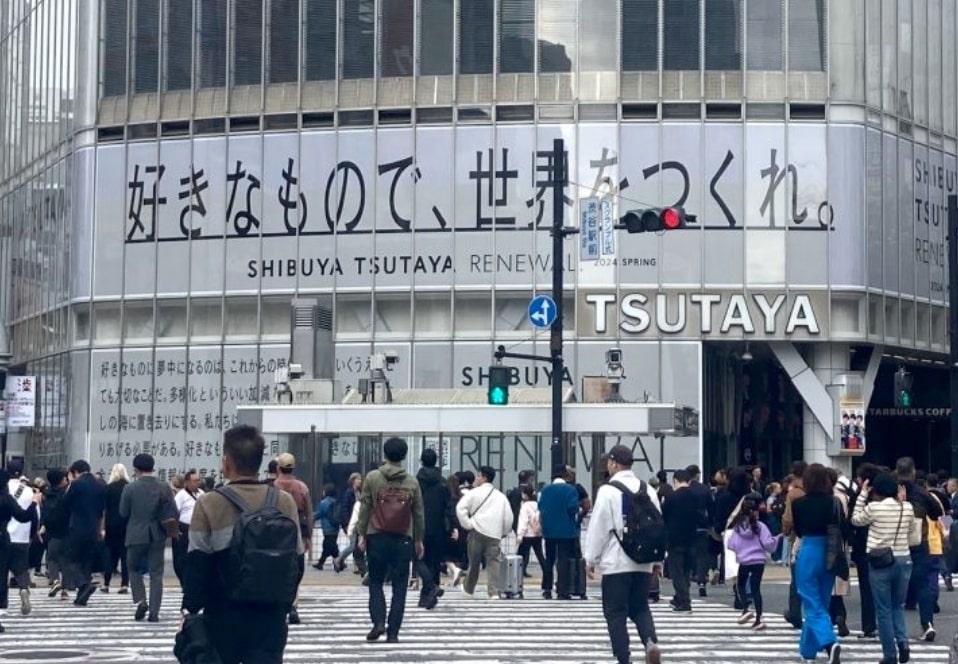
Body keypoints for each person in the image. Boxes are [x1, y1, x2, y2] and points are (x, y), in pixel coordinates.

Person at [183, 425, 303, 663]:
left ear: (226, 462)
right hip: (270, 617)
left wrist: (190, 609)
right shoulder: (284, 501)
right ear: (259, 462)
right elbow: (297, 561)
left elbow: (197, 565)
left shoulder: (209, 503)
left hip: (223, 615)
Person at [584, 445, 661, 664]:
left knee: (615, 612)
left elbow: (598, 528)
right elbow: (657, 526)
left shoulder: (608, 491)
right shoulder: (648, 489)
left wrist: (591, 559)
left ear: (614, 463)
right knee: (640, 607)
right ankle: (650, 642)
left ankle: (624, 658)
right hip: (644, 562)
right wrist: (657, 560)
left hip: (616, 562)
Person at [355, 437, 424, 643]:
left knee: (375, 581)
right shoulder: (412, 481)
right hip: (403, 538)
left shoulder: (373, 477)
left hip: (376, 535)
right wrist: (418, 540)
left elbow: (365, 507)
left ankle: (378, 622)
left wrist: (361, 533)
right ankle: (393, 632)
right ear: (404, 455)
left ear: (385, 454)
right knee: (400, 587)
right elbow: (418, 513)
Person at [851, 472, 920, 664]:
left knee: (883, 610)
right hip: (904, 559)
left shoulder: (874, 507)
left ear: (876, 490)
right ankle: (903, 643)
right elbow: (911, 531)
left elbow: (855, 519)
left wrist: (862, 494)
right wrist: (902, 502)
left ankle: (890, 654)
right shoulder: (907, 507)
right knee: (898, 606)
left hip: (881, 561)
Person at [791, 463, 841, 664]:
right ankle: (807, 651)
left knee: (810, 601)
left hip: (809, 549)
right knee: (821, 601)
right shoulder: (834, 502)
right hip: (830, 552)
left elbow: (798, 530)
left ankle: (830, 643)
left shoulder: (798, 503)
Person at [120, 453, 174, 622]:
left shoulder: (130, 488)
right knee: (156, 573)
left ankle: (141, 600)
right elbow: (172, 510)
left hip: (135, 533)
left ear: (136, 469)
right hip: (157, 534)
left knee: (133, 568)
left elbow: (123, 512)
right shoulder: (164, 487)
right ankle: (154, 612)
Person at [897, 456, 942, 641]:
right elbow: (937, 512)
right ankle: (927, 623)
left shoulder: (889, 490)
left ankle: (891, 628)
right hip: (918, 542)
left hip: (894, 543)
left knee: (890, 585)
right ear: (913, 472)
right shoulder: (922, 493)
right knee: (922, 584)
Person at [455, 465, 513, 600]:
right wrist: (503, 532)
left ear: (484, 478)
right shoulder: (501, 496)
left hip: (476, 531)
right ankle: (493, 592)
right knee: (494, 563)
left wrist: (467, 524)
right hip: (494, 534)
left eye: (479, 475)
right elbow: (508, 518)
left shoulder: (474, 493)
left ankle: (469, 589)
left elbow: (460, 508)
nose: (477, 478)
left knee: (474, 562)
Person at [727, 495, 780, 631]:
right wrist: (776, 539)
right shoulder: (760, 526)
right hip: (758, 561)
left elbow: (731, 544)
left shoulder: (738, 527)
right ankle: (759, 618)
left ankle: (746, 608)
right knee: (756, 589)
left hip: (744, 561)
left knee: (740, 585)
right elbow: (768, 544)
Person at [272, 452, 312, 626]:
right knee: (295, 570)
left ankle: (279, 602)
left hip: (275, 533)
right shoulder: (301, 487)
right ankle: (293, 604)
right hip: (297, 532)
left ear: (278, 468)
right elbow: (309, 513)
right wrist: (309, 535)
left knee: (276, 569)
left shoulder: (272, 487)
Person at [0, 469, 40, 633]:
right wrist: (34, 502)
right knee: (3, 575)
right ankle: (22, 588)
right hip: (5, 539)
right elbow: (24, 517)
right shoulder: (7, 499)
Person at [62, 459, 106, 607]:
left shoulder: (76, 484)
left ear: (75, 472)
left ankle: (83, 583)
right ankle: (82, 596)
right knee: (86, 561)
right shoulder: (99, 485)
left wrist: (70, 484)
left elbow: (65, 504)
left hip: (77, 527)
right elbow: (102, 509)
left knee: (71, 560)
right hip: (94, 528)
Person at [538, 464, 582, 600]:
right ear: (565, 475)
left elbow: (540, 507)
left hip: (549, 530)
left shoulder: (545, 490)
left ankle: (547, 588)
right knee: (563, 560)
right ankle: (562, 590)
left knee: (549, 559)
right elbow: (573, 508)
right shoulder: (571, 490)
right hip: (566, 531)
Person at [416, 448, 449, 609]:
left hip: (419, 526)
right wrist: (450, 526)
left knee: (418, 558)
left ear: (421, 461)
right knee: (434, 562)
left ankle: (430, 588)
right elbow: (448, 506)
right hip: (438, 527)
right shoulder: (442, 482)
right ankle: (428, 596)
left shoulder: (416, 482)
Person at [850, 462, 880, 638]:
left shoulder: (860, 498)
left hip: (864, 546)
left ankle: (869, 625)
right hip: (885, 547)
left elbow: (853, 520)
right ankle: (885, 625)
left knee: (867, 588)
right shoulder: (885, 496)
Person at [662, 468, 697, 613]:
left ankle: (684, 601)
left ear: (675, 480)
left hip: (675, 538)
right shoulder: (696, 496)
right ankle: (679, 597)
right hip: (692, 537)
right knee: (686, 571)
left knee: (677, 572)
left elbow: (664, 517)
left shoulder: (671, 497)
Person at [5, 459, 35, 616]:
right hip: (22, 536)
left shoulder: (4, 489)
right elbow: (34, 515)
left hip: (4, 535)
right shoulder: (29, 491)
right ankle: (23, 588)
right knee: (21, 568)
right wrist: (32, 534)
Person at [782, 460, 809, 629]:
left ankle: (795, 613)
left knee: (796, 579)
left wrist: (785, 531)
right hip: (817, 538)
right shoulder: (817, 490)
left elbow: (788, 519)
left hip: (798, 538)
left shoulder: (794, 494)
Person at [101, 463, 130, 594]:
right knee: (125, 556)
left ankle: (106, 583)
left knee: (110, 554)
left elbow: (104, 509)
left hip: (111, 525)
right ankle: (124, 584)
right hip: (126, 524)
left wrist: (102, 527)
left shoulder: (108, 488)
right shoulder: (128, 487)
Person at [686, 464, 714, 598]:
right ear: (697, 474)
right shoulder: (704, 489)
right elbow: (711, 507)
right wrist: (711, 523)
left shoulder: (685, 489)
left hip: (687, 525)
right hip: (702, 524)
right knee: (702, 555)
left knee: (688, 553)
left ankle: (688, 578)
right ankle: (702, 581)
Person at [41, 469, 70, 599]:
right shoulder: (66, 493)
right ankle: (64, 590)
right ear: (61, 480)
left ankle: (55, 580)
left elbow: (44, 513)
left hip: (52, 532)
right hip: (67, 530)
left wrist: (43, 525)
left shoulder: (47, 494)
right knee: (65, 560)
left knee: (52, 558)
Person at [172, 469, 204, 585]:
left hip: (198, 529)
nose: (197, 483)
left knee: (196, 556)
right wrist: (175, 529)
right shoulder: (181, 495)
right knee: (181, 557)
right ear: (187, 482)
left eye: (198, 480)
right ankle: (183, 580)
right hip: (184, 528)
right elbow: (174, 512)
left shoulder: (202, 493)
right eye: (195, 480)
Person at [334, 473, 365, 575]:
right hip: (351, 522)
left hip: (357, 522)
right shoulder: (349, 493)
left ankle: (359, 567)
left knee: (357, 546)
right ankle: (339, 559)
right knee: (353, 545)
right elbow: (345, 508)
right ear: (353, 481)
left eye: (360, 479)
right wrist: (347, 523)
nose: (360, 481)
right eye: (358, 479)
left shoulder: (359, 492)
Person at [516, 484, 545, 579]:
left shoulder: (525, 506)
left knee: (522, 554)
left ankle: (520, 572)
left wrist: (520, 535)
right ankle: (546, 571)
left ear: (525, 495)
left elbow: (523, 521)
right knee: (539, 554)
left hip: (527, 534)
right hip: (537, 534)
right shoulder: (538, 505)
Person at [313, 484, 340, 570]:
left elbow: (319, 514)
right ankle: (322, 563)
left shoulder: (324, 503)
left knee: (329, 546)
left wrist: (310, 517)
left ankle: (339, 562)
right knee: (330, 545)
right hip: (335, 527)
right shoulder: (336, 502)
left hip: (327, 528)